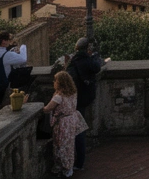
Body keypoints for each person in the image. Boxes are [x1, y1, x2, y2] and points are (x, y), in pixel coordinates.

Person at [65, 37, 108, 170]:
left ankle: (77, 161)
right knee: (79, 130)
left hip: (73, 99)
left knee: (76, 130)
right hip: (85, 98)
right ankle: (80, 162)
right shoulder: (88, 61)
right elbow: (97, 67)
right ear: (87, 49)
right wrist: (94, 56)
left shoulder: (73, 62)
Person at [43, 71, 88, 177]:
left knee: (60, 145)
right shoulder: (73, 92)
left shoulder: (58, 96)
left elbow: (47, 109)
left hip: (63, 123)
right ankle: (69, 167)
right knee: (69, 145)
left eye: (55, 80)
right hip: (72, 120)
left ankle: (64, 167)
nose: (54, 82)